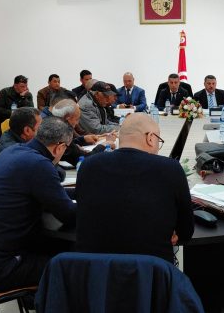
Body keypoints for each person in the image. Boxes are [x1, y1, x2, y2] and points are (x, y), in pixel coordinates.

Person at [0, 117, 76, 293]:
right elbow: (69, 215)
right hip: (1, 268)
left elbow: (50, 193)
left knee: (64, 247)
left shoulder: (15, 150)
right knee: (75, 266)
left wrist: (82, 191)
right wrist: (99, 204)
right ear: (59, 147)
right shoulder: (39, 165)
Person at [76, 113, 194, 263]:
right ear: (150, 138)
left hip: (93, 270)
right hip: (152, 270)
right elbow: (186, 231)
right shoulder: (170, 168)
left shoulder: (88, 165)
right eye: (159, 141)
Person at [51, 97, 111, 166]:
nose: (77, 123)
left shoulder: (53, 127)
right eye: (77, 119)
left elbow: (71, 146)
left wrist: (83, 139)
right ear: (68, 119)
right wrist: (104, 146)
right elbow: (85, 160)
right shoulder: (60, 135)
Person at [0, 107, 41, 172]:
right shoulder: (15, 152)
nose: (42, 131)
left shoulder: (11, 134)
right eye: (39, 128)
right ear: (27, 130)